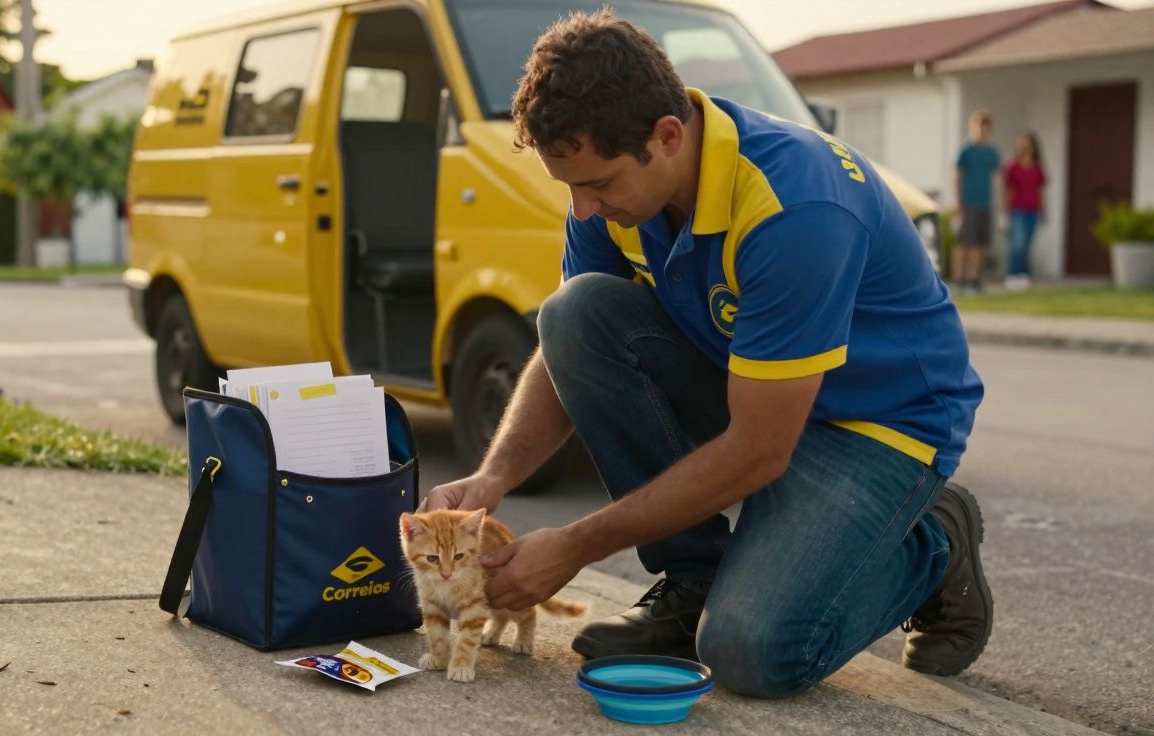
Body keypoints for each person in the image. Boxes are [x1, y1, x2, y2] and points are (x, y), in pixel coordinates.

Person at [420, 10, 990, 698]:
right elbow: (568, 348)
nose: (584, 209)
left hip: (877, 427)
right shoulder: (618, 194)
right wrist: (492, 479)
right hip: (757, 391)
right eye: (568, 186)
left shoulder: (792, 208)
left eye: (596, 184)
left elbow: (759, 451)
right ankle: (693, 579)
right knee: (573, 312)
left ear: (665, 137)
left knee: (753, 653)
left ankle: (934, 544)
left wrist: (574, 544)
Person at [952, 111, 1000, 293]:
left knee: (979, 244)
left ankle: (973, 280)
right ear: (972, 128)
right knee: (964, 243)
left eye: (985, 127)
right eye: (978, 127)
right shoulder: (966, 150)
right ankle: (959, 280)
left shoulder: (991, 152)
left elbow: (997, 178)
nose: (981, 131)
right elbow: (957, 176)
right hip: (967, 203)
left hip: (984, 203)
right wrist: (958, 202)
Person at [1002, 133, 1047, 291]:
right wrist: (1004, 212)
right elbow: (1007, 189)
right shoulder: (1013, 166)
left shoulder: (1037, 167)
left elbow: (1041, 191)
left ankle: (1023, 275)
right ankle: (1012, 274)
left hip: (1033, 210)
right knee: (1017, 244)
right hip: (1017, 210)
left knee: (1027, 245)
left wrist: (1044, 211)